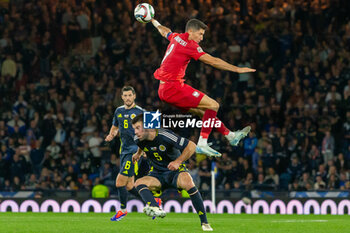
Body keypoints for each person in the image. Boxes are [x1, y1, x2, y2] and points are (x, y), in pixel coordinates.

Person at [151, 18, 256, 157]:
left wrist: (153, 20)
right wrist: (237, 69)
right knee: (213, 105)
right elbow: (213, 61)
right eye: (200, 34)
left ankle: (230, 135)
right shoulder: (190, 45)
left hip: (164, 90)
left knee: (204, 113)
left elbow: (164, 31)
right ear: (190, 32)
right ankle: (202, 143)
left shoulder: (176, 37)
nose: (202, 37)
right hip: (173, 87)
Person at [131, 114, 213, 231]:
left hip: (175, 172)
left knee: (188, 182)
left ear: (148, 126)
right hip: (157, 174)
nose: (135, 132)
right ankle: (155, 207)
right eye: (134, 128)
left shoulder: (165, 135)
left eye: (138, 128)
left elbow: (192, 146)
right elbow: (141, 145)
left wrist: (178, 161)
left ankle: (204, 223)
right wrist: (138, 154)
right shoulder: (138, 139)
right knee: (138, 183)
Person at [105, 86, 148, 221]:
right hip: (123, 151)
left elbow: (150, 132)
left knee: (119, 182)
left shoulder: (141, 112)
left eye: (130, 95)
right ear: (122, 97)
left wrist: (145, 150)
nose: (128, 98)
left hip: (134, 152)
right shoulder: (119, 111)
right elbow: (115, 126)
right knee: (129, 186)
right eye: (125, 96)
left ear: (134, 96)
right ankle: (153, 202)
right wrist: (111, 134)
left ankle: (122, 210)